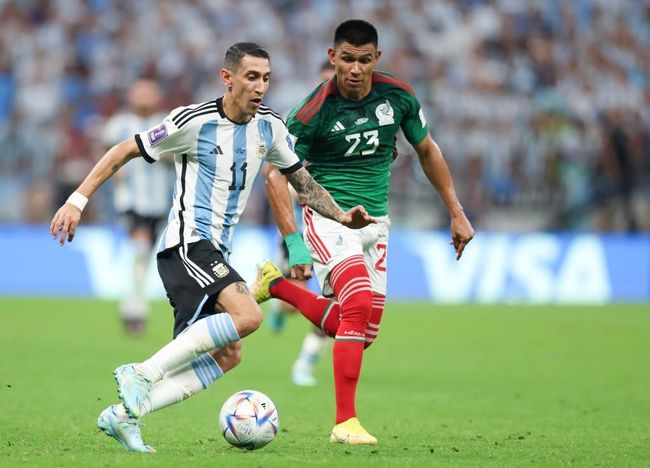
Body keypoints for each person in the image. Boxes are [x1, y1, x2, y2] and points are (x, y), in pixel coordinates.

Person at [50, 42, 375, 453]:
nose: (261, 87)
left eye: (267, 78)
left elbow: (301, 183)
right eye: (252, 77)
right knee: (249, 314)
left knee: (230, 354)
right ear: (228, 78)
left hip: (216, 252)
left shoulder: (269, 128)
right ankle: (143, 372)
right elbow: (124, 149)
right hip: (186, 245)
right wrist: (77, 201)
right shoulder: (193, 121)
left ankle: (125, 415)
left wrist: (342, 216)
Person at [252, 20, 474, 445]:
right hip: (329, 218)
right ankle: (345, 423)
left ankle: (276, 286)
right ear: (333, 57)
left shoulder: (399, 96)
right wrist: (294, 242)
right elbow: (275, 176)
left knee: (361, 332)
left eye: (364, 60)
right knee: (354, 304)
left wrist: (456, 211)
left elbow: (427, 150)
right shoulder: (311, 111)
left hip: (376, 223)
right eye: (347, 59)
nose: (355, 69)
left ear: (377, 58)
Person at [266, 60, 335, 387]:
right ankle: (280, 308)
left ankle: (305, 364)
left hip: (340, 230)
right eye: (325, 82)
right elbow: (280, 175)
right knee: (295, 305)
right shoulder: (304, 124)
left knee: (337, 302)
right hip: (305, 226)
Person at [102, 78, 174, 335]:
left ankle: (133, 306)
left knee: (147, 256)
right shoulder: (118, 124)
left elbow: (178, 157)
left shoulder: (168, 123)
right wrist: (115, 172)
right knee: (141, 249)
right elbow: (104, 150)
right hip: (131, 200)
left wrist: (168, 157)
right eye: (139, 93)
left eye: (148, 93)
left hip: (161, 202)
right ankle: (135, 311)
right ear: (131, 96)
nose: (143, 98)